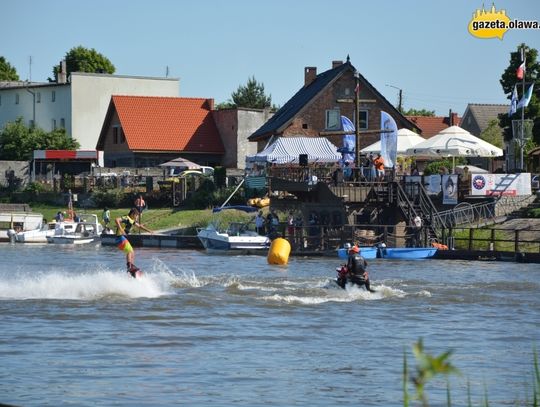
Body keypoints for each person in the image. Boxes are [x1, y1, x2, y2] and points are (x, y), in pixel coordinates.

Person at [115, 208, 154, 277]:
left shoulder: (132, 221)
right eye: (137, 215)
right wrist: (121, 229)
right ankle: (129, 266)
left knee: (132, 252)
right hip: (120, 238)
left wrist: (149, 231)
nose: (137, 217)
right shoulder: (126, 218)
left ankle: (131, 269)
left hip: (120, 239)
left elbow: (139, 226)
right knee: (130, 251)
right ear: (133, 214)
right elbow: (116, 220)